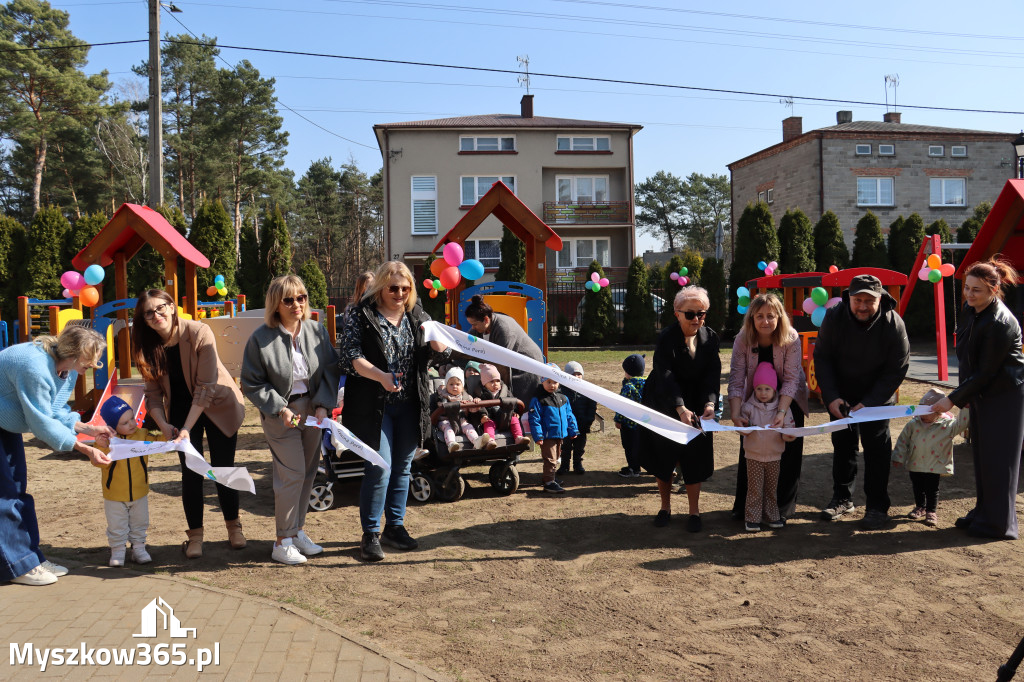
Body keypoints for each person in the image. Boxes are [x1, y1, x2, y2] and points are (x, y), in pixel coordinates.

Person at [341, 261, 449, 562]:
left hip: (410, 404)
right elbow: (350, 357)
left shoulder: (416, 315)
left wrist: (438, 342)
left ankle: (395, 526)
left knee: (402, 468)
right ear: (380, 288)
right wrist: (381, 376)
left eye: (405, 288)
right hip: (373, 406)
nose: (399, 293)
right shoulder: (363, 315)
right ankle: (371, 533)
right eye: (393, 288)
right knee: (380, 467)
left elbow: (439, 352)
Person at [132, 289, 247, 559]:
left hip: (217, 403)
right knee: (191, 472)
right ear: (144, 319)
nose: (156, 315)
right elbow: (152, 395)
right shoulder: (146, 346)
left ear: (172, 307)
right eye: (149, 312)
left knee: (222, 467)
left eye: (161, 308)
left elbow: (205, 388)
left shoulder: (198, 331)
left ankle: (234, 528)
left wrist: (186, 427)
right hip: (182, 411)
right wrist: (163, 424)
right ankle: (195, 535)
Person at [0, 325, 115, 586]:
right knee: (4, 496)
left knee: (19, 491)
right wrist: (85, 449)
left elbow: (55, 409)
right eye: (91, 358)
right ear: (75, 354)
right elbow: (41, 422)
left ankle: (31, 558)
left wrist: (88, 428)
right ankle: (19, 566)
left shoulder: (66, 368)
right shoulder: (35, 367)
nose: (95, 364)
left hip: (4, 423)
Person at [242, 275, 339, 565]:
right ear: (276, 304)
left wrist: (323, 405)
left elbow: (331, 370)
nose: (296, 304)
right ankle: (282, 541)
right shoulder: (260, 338)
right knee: (291, 473)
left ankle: (296, 532)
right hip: (281, 413)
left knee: (309, 471)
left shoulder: (316, 331)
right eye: (288, 299)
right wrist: (279, 408)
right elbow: (252, 382)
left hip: (312, 409)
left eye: (301, 298)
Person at [932, 258, 1024, 540]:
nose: (970, 295)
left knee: (1000, 460)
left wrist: (953, 400)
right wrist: (966, 395)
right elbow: (970, 361)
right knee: (983, 456)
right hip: (983, 393)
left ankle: (999, 523)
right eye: (967, 289)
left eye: (977, 290)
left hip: (1005, 397)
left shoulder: (999, 322)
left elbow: (986, 372)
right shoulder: (972, 311)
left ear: (994, 289)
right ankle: (984, 512)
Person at [813, 274, 910, 530]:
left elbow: (897, 368)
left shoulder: (893, 323)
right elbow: (822, 358)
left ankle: (877, 506)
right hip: (842, 395)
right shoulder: (834, 317)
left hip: (876, 398)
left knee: (877, 451)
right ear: (849, 298)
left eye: (869, 300)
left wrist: (872, 402)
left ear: (880, 299)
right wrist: (832, 396)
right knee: (843, 446)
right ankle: (842, 498)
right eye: (858, 300)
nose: (863, 306)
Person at [640, 286, 720, 532]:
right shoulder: (666, 338)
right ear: (677, 313)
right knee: (665, 456)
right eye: (690, 314)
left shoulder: (711, 337)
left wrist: (709, 403)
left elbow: (712, 373)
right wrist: (679, 407)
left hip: (696, 403)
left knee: (695, 456)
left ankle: (694, 512)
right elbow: (665, 375)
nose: (696, 319)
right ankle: (665, 507)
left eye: (702, 313)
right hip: (665, 401)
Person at [728, 293, 810, 521]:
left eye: (771, 316)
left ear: (779, 317)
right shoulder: (742, 339)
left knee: (787, 454)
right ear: (752, 318)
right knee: (752, 452)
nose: (765, 321)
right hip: (754, 402)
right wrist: (736, 413)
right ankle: (747, 509)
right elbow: (736, 378)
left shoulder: (791, 337)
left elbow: (793, 379)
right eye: (760, 316)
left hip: (788, 400)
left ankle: (780, 509)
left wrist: (782, 412)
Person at [892, 389, 969, 528]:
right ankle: (920, 507)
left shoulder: (947, 426)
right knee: (917, 487)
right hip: (916, 463)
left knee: (932, 489)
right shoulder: (913, 424)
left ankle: (931, 511)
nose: (922, 416)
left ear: (938, 412)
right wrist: (898, 456)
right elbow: (903, 441)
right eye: (920, 412)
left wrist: (966, 408)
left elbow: (961, 424)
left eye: (927, 413)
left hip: (935, 464)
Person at [94, 397, 153, 567]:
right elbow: (98, 462)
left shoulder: (142, 435)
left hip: (139, 491)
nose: (132, 424)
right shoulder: (107, 441)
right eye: (125, 422)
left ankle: (139, 549)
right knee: (116, 525)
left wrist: (172, 437)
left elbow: (159, 442)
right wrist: (102, 446)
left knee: (140, 522)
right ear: (113, 427)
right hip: (114, 494)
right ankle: (118, 551)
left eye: (132, 418)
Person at [740, 363, 796, 532]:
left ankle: (771, 516)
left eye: (767, 389)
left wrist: (789, 435)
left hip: (774, 456)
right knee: (755, 489)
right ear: (754, 389)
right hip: (753, 456)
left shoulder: (783, 410)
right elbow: (741, 430)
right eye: (759, 389)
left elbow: (789, 430)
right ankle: (752, 518)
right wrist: (745, 428)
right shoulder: (748, 408)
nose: (763, 393)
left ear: (774, 390)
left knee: (771, 489)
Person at [464, 295, 545, 401]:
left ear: (486, 319)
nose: (472, 327)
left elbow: (501, 362)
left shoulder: (504, 328)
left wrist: (504, 392)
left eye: (474, 324)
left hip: (527, 367)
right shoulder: (479, 328)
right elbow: (466, 344)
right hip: (510, 364)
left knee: (517, 401)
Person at [528, 364, 579, 494]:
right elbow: (534, 419)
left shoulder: (563, 398)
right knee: (550, 458)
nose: (552, 385)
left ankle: (549, 477)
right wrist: (538, 436)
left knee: (556, 457)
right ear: (542, 381)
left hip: (560, 434)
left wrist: (573, 429)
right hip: (547, 435)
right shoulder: (539, 399)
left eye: (555, 382)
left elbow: (569, 414)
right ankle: (549, 483)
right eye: (548, 382)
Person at [429, 367, 488, 452]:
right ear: (446, 384)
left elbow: (472, 409)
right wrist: (448, 403)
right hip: (445, 420)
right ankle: (451, 444)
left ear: (462, 385)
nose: (454, 387)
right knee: (448, 428)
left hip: (461, 420)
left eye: (457, 384)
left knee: (469, 426)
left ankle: (476, 441)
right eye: (451, 384)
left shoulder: (466, 396)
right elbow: (438, 406)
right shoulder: (441, 396)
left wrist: (476, 402)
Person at [472, 363, 528, 445]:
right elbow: (480, 407)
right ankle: (490, 440)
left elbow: (512, 402)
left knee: (514, 419)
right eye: (491, 381)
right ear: (484, 383)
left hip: (504, 417)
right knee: (488, 424)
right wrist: (482, 415)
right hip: (490, 417)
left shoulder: (504, 391)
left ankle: (518, 437)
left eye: (497, 381)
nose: (495, 384)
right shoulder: (479, 393)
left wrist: (514, 412)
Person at [559, 360, 596, 475]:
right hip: (566, 426)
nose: (576, 377)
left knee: (579, 447)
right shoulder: (561, 391)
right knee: (565, 447)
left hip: (582, 425)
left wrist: (588, 420)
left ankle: (578, 464)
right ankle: (564, 465)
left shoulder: (587, 390)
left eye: (579, 374)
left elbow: (592, 406)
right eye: (573, 375)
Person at [614, 353, 646, 478]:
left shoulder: (628, 387)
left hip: (629, 424)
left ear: (627, 372)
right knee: (643, 446)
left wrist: (618, 420)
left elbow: (622, 406)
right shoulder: (648, 383)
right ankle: (648, 466)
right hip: (645, 422)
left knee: (629, 446)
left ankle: (634, 468)